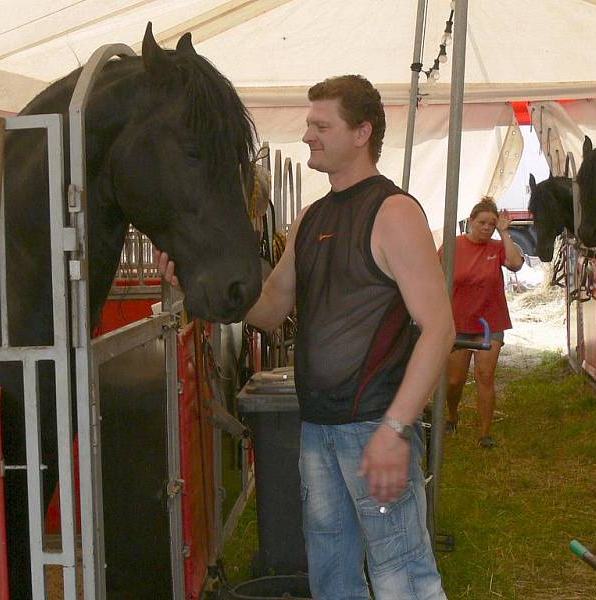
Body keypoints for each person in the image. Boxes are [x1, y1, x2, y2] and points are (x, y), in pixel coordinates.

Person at [156, 75, 454, 599]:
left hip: (373, 427)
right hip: (317, 427)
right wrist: (198, 273)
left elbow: (439, 329)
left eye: (321, 124)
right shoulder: (310, 218)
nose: (307, 134)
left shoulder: (395, 213)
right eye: (308, 123)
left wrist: (394, 429)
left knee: (403, 576)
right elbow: (270, 309)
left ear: (362, 133)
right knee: (332, 577)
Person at [440, 198, 524, 449]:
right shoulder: (453, 246)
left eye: (491, 223)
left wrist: (505, 232)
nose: (487, 228)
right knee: (455, 379)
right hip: (459, 321)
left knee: (485, 376)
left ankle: (485, 434)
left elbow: (516, 264)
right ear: (471, 222)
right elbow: (435, 273)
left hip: (490, 321)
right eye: (482, 223)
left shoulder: (497, 247)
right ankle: (452, 416)